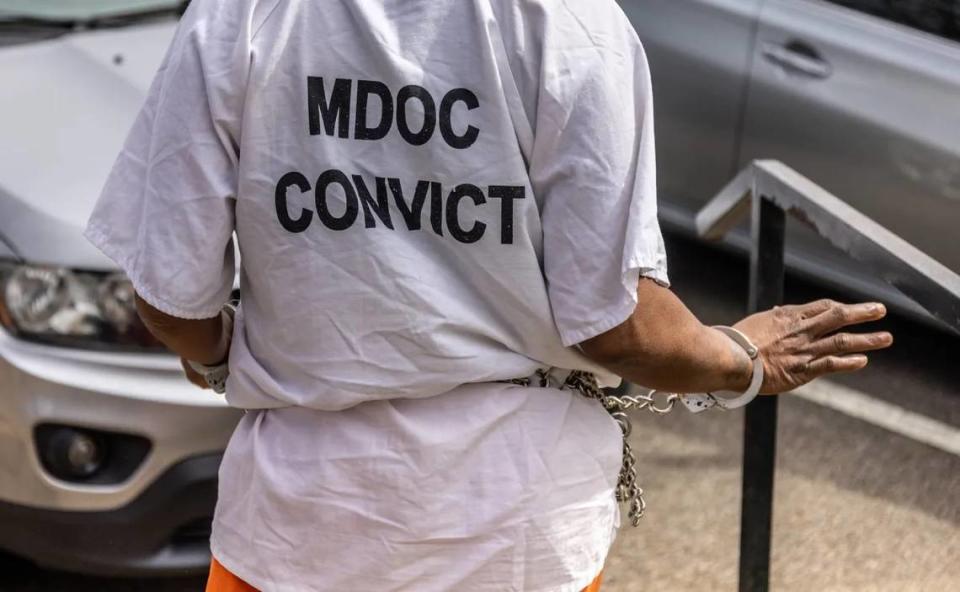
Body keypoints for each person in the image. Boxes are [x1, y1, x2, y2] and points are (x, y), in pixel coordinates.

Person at [84, 0, 893, 590]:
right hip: (515, 539)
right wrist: (740, 358)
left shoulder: (239, 18)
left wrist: (225, 353)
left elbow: (171, 300)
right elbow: (612, 324)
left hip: (300, 532)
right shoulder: (574, 27)